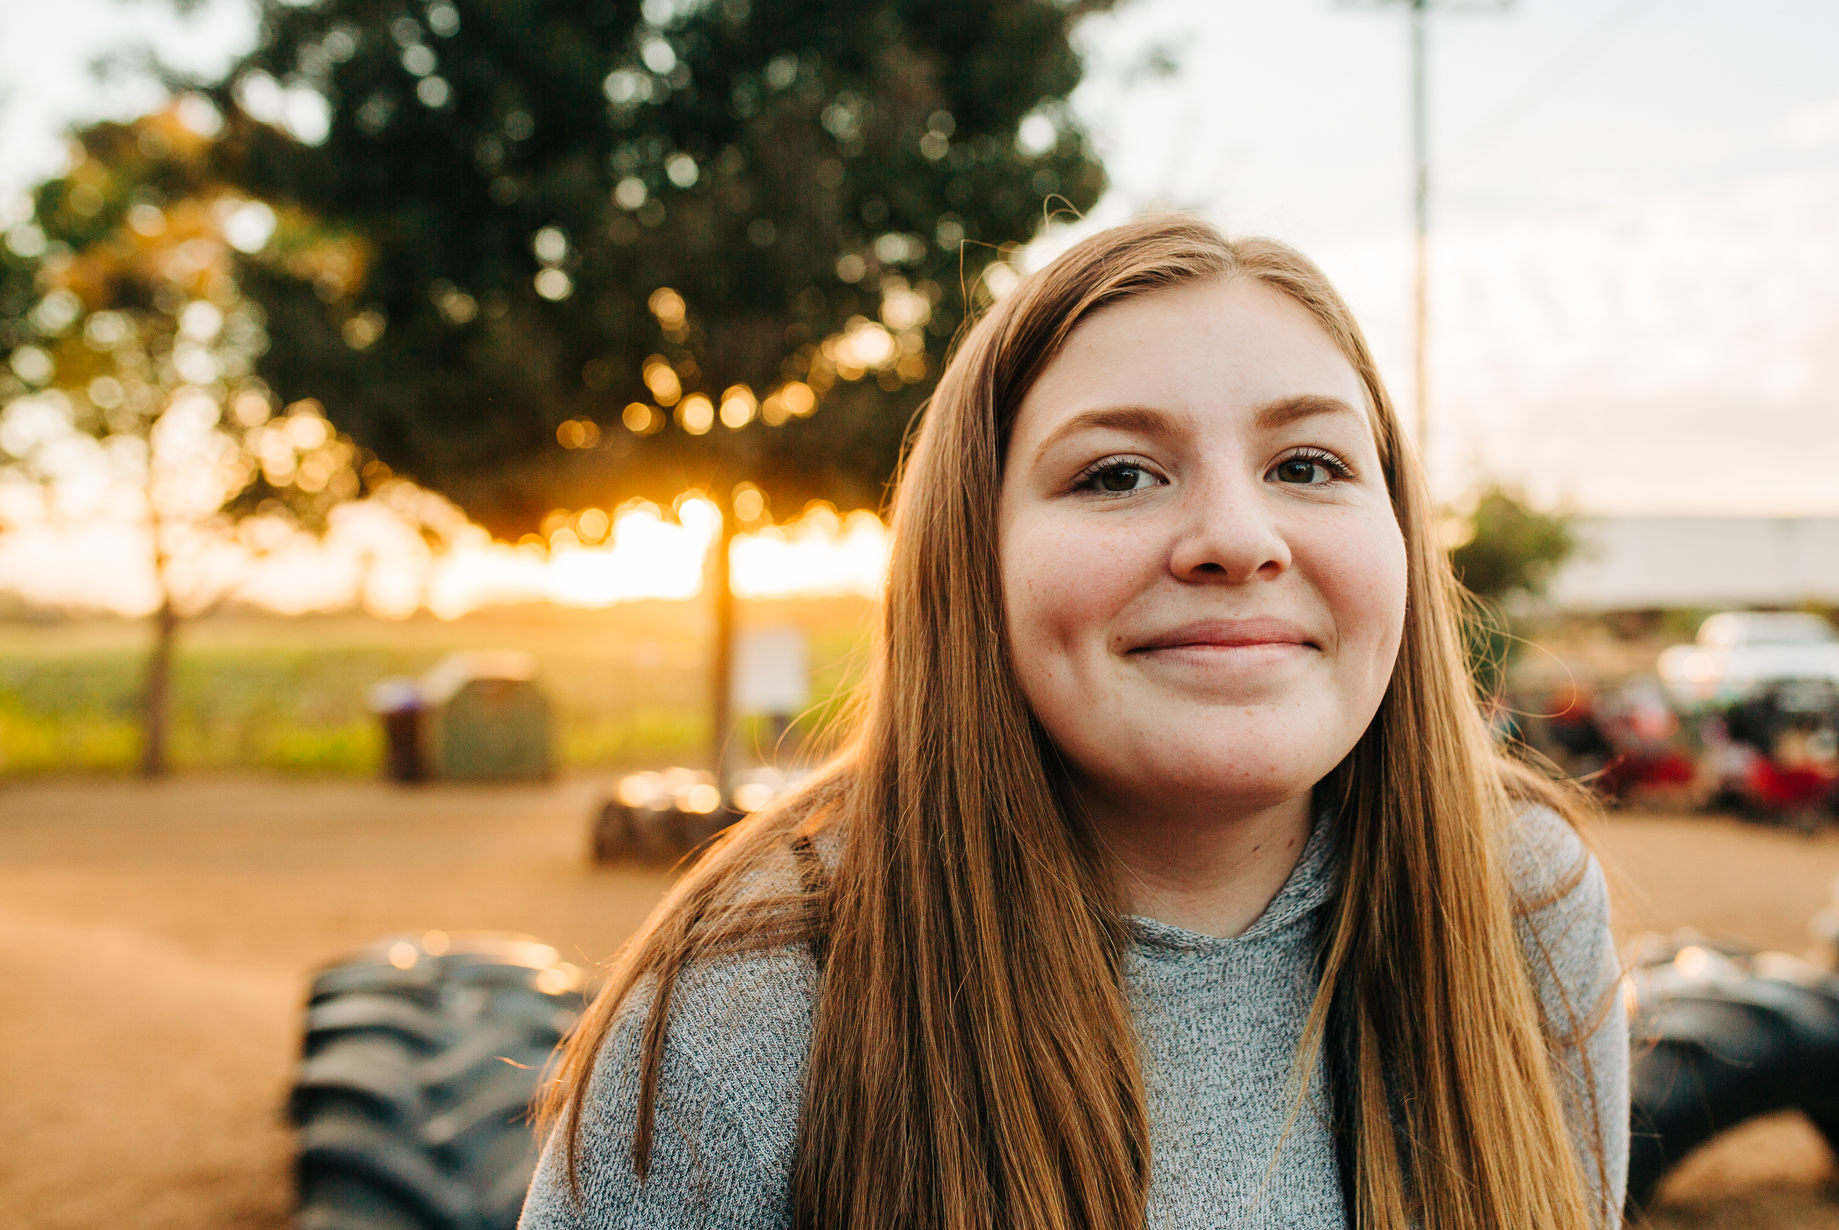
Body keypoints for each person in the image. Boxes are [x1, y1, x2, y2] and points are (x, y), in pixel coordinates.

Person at [521, 215, 1628, 1230]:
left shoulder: (1524, 903)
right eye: (1116, 474)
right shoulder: (748, 1005)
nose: (1237, 539)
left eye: (1306, 464)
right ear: (973, 555)